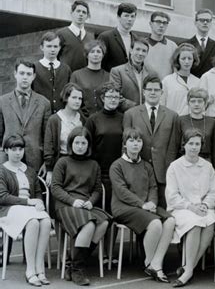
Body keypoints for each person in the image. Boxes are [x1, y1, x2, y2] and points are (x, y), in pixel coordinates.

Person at [110, 127, 175, 283]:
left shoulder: (146, 165)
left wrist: (152, 202)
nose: (135, 144)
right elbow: (121, 191)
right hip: (124, 207)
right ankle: (150, 262)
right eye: (131, 140)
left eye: (138, 141)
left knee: (171, 220)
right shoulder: (117, 165)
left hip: (146, 205)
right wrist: (142, 204)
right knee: (155, 224)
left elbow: (153, 187)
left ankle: (155, 263)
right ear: (125, 144)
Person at [51, 127, 110, 286]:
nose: (80, 146)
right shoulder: (62, 162)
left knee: (104, 222)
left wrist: (91, 201)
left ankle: (73, 262)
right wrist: (72, 201)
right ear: (71, 143)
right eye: (77, 142)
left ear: (88, 145)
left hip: (85, 205)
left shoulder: (93, 164)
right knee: (89, 224)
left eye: (83, 143)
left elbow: (97, 189)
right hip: (65, 205)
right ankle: (78, 269)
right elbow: (55, 187)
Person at [165, 128, 215, 287]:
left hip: (203, 207)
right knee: (195, 223)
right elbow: (173, 196)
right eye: (191, 143)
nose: (194, 147)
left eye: (197, 144)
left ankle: (188, 268)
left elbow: (212, 191)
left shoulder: (208, 166)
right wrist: (191, 207)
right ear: (184, 145)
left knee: (210, 223)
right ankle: (189, 271)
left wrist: (204, 204)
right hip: (182, 208)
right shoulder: (175, 167)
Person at [0, 135, 51, 287]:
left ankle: (39, 267)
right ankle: (30, 270)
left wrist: (40, 203)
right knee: (33, 222)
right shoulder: (2, 170)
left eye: (20, 149)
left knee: (47, 221)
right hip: (9, 209)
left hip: (29, 208)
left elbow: (37, 192)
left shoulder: (29, 170)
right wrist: (29, 202)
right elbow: (3, 197)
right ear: (6, 151)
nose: (17, 153)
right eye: (13, 149)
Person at [123, 75, 179, 208]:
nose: (153, 93)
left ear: (161, 92)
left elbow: (173, 147)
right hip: (137, 171)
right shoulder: (131, 114)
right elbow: (126, 145)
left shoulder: (172, 116)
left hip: (163, 174)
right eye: (149, 90)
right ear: (143, 92)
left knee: (162, 211)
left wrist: (168, 170)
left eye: (156, 90)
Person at [0, 60, 51, 173]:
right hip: (8, 159)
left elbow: (47, 137)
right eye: (22, 73)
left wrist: (46, 163)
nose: (25, 77)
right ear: (15, 74)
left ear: (33, 76)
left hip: (34, 160)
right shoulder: (2, 101)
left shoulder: (44, 103)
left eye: (28, 74)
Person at [85, 82, 124, 213]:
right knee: (101, 212)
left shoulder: (124, 118)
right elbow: (87, 147)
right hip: (100, 173)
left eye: (116, 97)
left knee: (116, 212)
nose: (113, 99)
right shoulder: (93, 120)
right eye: (110, 96)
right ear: (103, 98)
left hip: (119, 172)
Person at [44, 83, 85, 186]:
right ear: (66, 98)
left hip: (80, 164)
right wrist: (50, 169)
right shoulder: (55, 120)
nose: (77, 101)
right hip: (60, 163)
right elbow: (49, 146)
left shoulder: (82, 120)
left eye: (80, 98)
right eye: (74, 97)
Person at [110, 38, 158, 111]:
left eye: (144, 51)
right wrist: (136, 108)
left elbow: (155, 94)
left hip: (146, 116)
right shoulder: (117, 71)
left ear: (147, 54)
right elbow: (115, 96)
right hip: (125, 115)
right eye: (137, 49)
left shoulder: (152, 73)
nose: (140, 53)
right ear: (131, 50)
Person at [32, 31, 72, 113]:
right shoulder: (34, 68)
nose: (52, 49)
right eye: (49, 46)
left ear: (59, 47)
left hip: (62, 116)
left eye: (55, 46)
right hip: (39, 115)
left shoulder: (66, 69)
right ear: (42, 47)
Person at [70, 40, 110, 117]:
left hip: (104, 118)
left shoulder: (108, 76)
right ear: (87, 55)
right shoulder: (76, 75)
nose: (95, 54)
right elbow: (71, 99)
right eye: (92, 51)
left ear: (103, 55)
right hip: (82, 118)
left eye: (98, 51)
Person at [176, 88, 215, 161]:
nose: (196, 104)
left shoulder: (212, 122)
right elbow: (174, 146)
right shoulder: (181, 120)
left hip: (206, 161)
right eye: (193, 101)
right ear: (188, 103)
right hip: (185, 160)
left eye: (200, 101)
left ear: (205, 103)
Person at [161, 43, 201, 115]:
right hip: (172, 122)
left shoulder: (198, 82)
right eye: (183, 58)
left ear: (193, 60)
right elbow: (161, 105)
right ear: (178, 60)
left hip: (192, 123)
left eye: (189, 58)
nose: (186, 61)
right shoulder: (167, 81)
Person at [57, 0, 95, 72]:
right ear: (72, 13)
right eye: (78, 11)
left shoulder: (91, 37)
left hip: (84, 78)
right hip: (66, 78)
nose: (81, 14)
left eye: (84, 12)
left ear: (87, 16)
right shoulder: (61, 34)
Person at [98, 3, 138, 72]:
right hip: (110, 80)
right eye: (126, 16)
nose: (129, 19)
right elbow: (99, 63)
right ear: (118, 17)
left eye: (132, 16)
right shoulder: (105, 37)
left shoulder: (136, 39)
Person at [185, 9, 215, 78]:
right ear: (195, 22)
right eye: (202, 20)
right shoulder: (186, 44)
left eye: (208, 20)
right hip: (192, 84)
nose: (205, 22)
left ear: (211, 23)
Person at [144, 11, 178, 81]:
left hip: (167, 87)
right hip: (147, 88)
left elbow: (176, 70)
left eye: (165, 23)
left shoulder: (173, 46)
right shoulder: (142, 44)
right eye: (158, 22)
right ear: (150, 24)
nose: (161, 25)